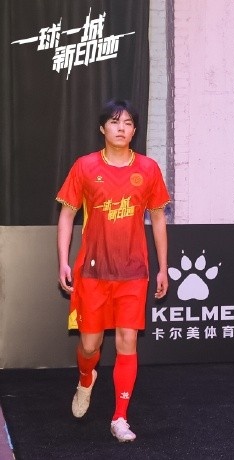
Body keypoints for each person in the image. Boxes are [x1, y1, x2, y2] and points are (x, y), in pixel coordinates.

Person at [56, 99, 170, 442]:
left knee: (127, 341)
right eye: (115, 122)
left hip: (133, 271)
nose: (122, 128)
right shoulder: (85, 166)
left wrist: (163, 267)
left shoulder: (148, 169)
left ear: (135, 130)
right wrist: (63, 260)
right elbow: (67, 214)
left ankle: (120, 417)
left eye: (128, 123)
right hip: (93, 272)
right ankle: (86, 378)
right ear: (102, 128)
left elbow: (158, 219)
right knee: (89, 346)